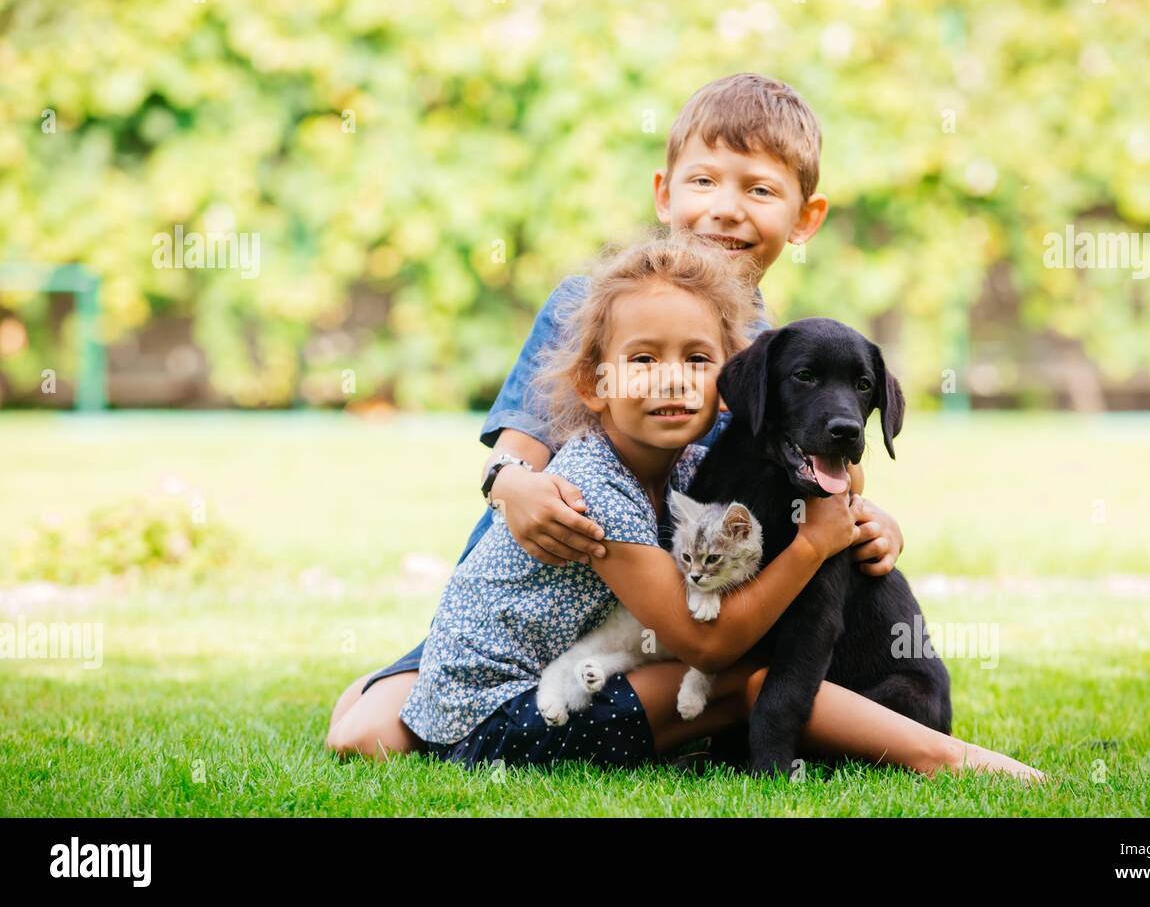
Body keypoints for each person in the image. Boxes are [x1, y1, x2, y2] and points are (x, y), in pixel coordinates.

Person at [328, 74, 908, 759]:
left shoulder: (779, 350)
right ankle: (397, 678)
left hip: (665, 601)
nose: (726, 210)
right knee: (364, 738)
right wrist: (513, 487)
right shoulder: (593, 302)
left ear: (805, 218)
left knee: (724, 668)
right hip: (543, 598)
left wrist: (871, 521)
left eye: (758, 190)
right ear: (664, 193)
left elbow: (825, 473)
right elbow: (514, 454)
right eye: (703, 183)